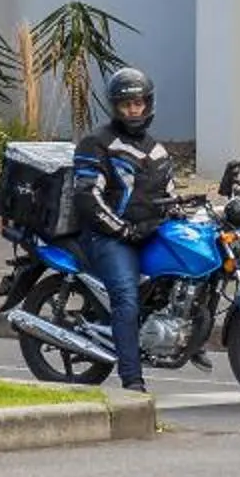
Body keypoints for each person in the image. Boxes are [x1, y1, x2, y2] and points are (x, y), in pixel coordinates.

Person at [72, 67, 172, 394]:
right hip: (109, 236)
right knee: (126, 296)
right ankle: (132, 380)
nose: (133, 110)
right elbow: (87, 196)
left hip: (148, 232)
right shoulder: (97, 144)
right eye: (126, 104)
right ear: (115, 106)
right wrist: (123, 230)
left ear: (148, 103)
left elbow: (170, 194)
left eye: (139, 103)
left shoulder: (156, 150)